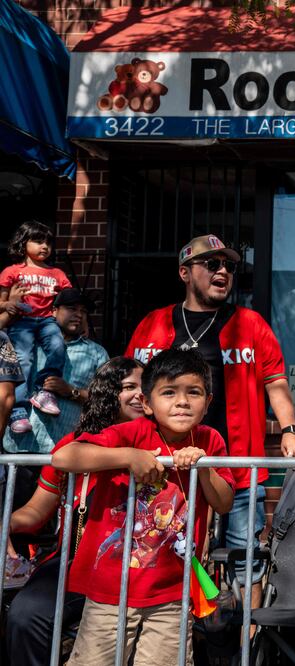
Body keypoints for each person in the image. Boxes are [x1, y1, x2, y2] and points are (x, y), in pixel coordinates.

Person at [125, 234, 295, 612]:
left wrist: (290, 430)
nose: (222, 271)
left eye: (228, 266)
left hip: (236, 467)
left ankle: (247, 635)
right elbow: (131, 386)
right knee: (166, 554)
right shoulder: (153, 324)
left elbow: (275, 382)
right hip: (167, 469)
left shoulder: (250, 323)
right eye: (212, 264)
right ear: (185, 273)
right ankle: (182, 631)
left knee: (246, 559)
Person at [52, 349, 235, 666]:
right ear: (147, 403)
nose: (182, 402)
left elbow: (224, 502)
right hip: (112, 586)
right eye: (169, 392)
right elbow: (63, 457)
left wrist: (203, 467)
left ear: (208, 402)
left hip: (172, 591)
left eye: (193, 392)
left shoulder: (210, 439)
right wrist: (128, 456)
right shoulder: (132, 432)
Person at [5, 357, 144, 666]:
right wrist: (5, 524)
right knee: (25, 616)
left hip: (143, 568)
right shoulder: (73, 447)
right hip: (77, 560)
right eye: (129, 387)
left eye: (145, 387)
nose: (139, 394)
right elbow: (36, 511)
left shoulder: (163, 444)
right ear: (109, 393)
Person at [4, 288, 109, 453]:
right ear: (53, 311)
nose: (79, 315)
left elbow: (107, 400)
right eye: (72, 309)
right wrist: (9, 307)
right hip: (16, 448)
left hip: (62, 451)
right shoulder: (26, 345)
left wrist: (71, 391)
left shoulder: (97, 353)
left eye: (83, 311)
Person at [0, 221, 72, 433]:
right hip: (22, 320)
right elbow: (1, 301)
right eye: (38, 241)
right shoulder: (12, 271)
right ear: (23, 243)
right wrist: (9, 304)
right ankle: (18, 411)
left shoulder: (57, 273)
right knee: (23, 358)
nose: (45, 246)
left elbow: (69, 300)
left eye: (48, 243)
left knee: (58, 346)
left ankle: (44, 391)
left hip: (47, 320)